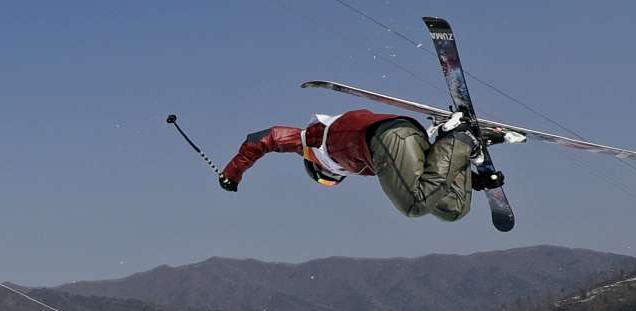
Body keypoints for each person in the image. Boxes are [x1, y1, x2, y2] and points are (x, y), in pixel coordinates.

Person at [219, 109, 511, 222]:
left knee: (413, 205)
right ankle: (463, 148)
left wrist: (232, 174)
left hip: (383, 137)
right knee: (452, 209)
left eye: (326, 181)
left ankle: (460, 138)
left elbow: (263, 139)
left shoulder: (310, 142)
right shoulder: (363, 167)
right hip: (404, 143)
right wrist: (474, 180)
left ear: (318, 169)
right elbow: (426, 170)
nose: (333, 180)